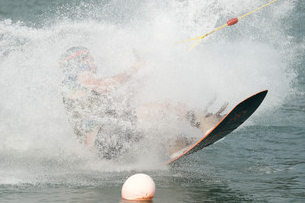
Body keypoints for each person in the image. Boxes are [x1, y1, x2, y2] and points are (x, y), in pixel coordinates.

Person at [59, 46, 225, 159]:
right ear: (80, 62)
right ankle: (205, 121)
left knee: (158, 121)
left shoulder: (78, 89)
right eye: (90, 59)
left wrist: (137, 84)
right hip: (105, 137)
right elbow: (106, 86)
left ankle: (177, 146)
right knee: (165, 106)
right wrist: (134, 69)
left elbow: (117, 106)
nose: (94, 63)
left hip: (104, 146)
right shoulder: (77, 76)